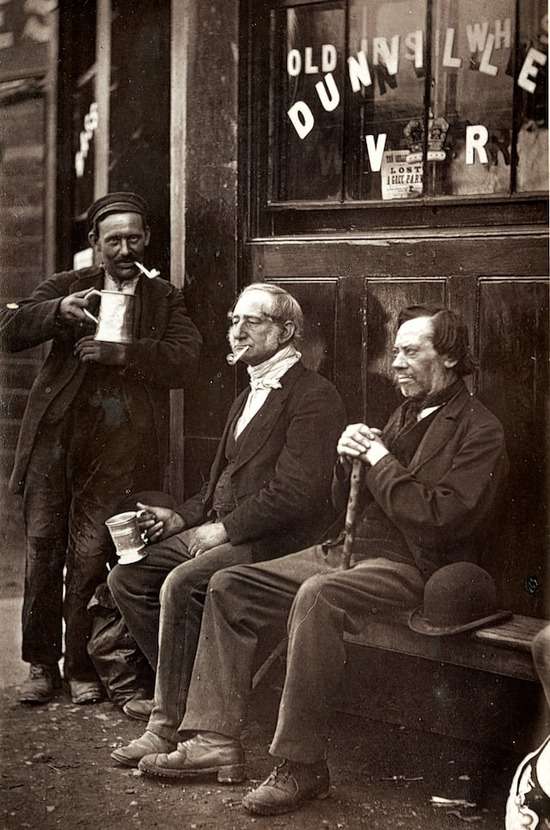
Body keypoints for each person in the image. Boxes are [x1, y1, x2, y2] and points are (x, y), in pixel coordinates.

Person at [132, 303, 509, 817]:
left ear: (448, 356)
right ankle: (215, 740)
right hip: (347, 552)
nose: (394, 362)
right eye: (394, 350)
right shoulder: (404, 412)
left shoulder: (480, 430)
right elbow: (346, 502)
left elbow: (439, 520)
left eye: (409, 351)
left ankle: (301, 765)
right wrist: (345, 460)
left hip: (413, 566)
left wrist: (376, 460)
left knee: (318, 595)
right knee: (228, 584)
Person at [108, 282, 346, 764]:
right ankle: (195, 697)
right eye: (234, 321)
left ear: (287, 331)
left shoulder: (315, 396)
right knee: (129, 576)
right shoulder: (245, 395)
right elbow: (218, 484)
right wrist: (179, 517)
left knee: (182, 582)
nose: (237, 332)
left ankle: (167, 723)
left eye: (251, 322)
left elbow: (298, 495)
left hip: (276, 542)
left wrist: (223, 530)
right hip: (225, 530)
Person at [0, 192, 202, 706]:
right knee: (44, 547)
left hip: (118, 447)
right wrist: (56, 312)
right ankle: (42, 666)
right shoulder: (70, 286)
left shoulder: (163, 298)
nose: (124, 248)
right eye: (113, 239)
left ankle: (82, 666)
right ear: (94, 243)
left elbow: (185, 362)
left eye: (134, 237)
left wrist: (123, 355)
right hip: (55, 439)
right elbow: (9, 330)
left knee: (92, 554)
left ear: (148, 239)